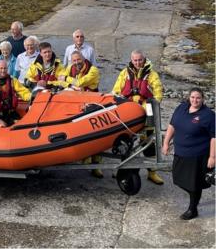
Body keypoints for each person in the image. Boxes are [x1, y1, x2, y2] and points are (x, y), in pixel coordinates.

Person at [112, 49, 164, 185]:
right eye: (135, 60)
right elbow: (116, 91)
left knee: (148, 142)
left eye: (140, 60)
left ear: (144, 59)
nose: (137, 63)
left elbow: (158, 94)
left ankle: (152, 172)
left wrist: (150, 106)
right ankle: (122, 169)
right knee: (125, 142)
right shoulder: (124, 73)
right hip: (128, 112)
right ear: (131, 60)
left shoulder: (152, 75)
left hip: (146, 112)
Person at [162, 88, 215, 220]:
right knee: (178, 179)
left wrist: (212, 157)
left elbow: (214, 137)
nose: (195, 100)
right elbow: (172, 125)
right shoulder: (181, 108)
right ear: (188, 97)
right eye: (192, 97)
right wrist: (166, 142)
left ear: (203, 99)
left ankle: (193, 209)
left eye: (198, 98)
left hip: (197, 156)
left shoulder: (208, 115)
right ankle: (194, 197)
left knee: (194, 184)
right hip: (181, 153)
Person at [60, 51, 102, 177]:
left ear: (83, 59)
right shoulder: (70, 67)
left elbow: (81, 82)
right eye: (74, 60)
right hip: (76, 104)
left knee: (97, 135)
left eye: (78, 60)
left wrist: (67, 80)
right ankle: (85, 157)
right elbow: (60, 80)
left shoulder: (93, 70)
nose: (76, 63)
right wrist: (68, 83)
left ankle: (97, 165)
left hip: (92, 103)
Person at [0, 59, 31, 127]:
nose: (3, 70)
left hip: (10, 114)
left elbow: (24, 92)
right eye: (1, 68)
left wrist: (33, 97)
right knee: (1, 126)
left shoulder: (13, 81)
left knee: (20, 126)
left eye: (5, 68)